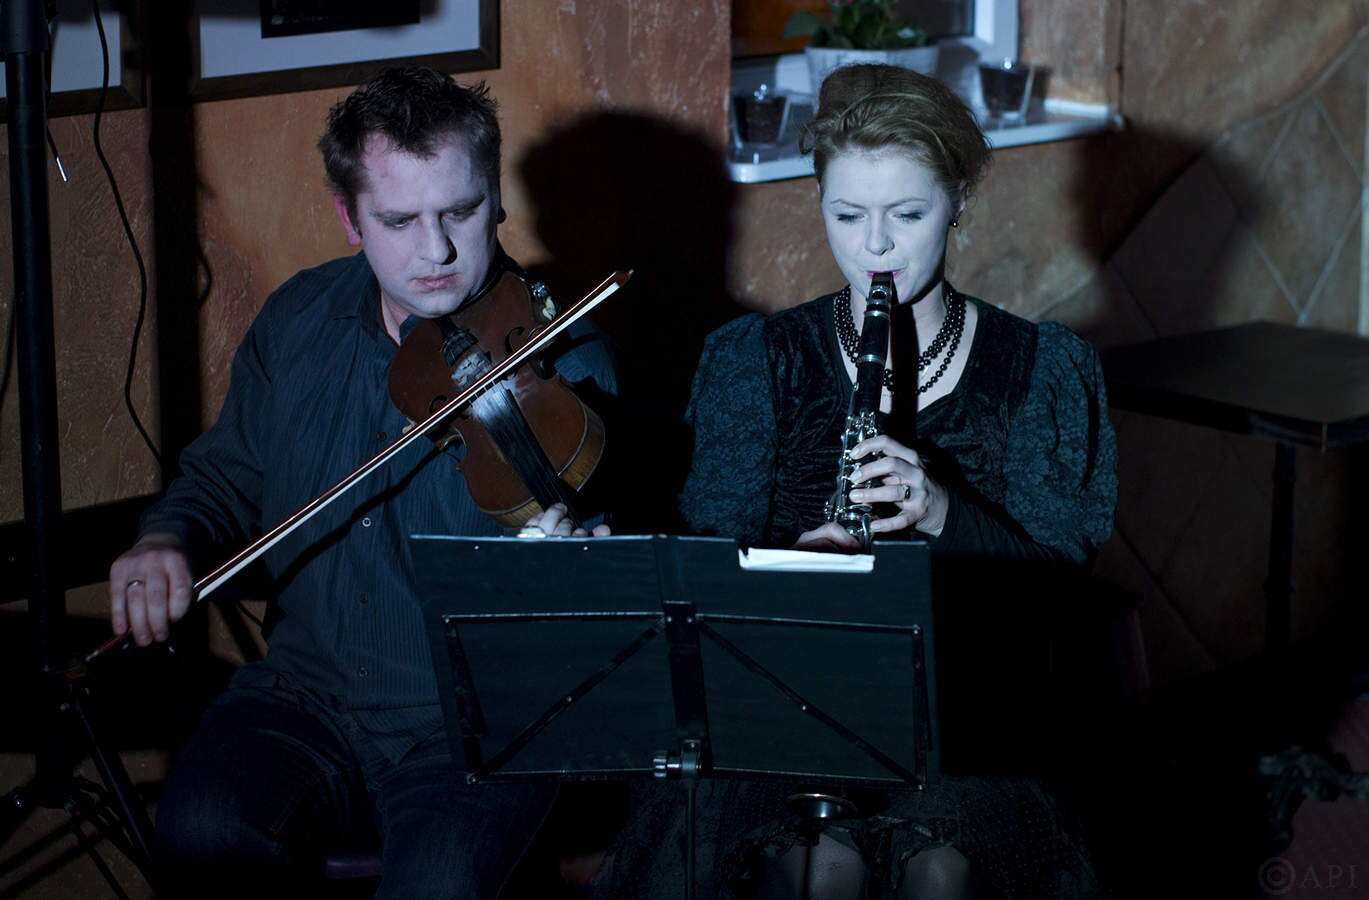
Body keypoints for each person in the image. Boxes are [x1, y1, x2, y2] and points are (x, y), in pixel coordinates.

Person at [588, 64, 1117, 899]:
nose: (874, 248)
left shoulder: (1040, 368)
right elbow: (703, 573)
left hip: (968, 709)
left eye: (906, 214)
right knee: (818, 871)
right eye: (846, 214)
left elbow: (1057, 596)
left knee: (941, 871)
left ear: (958, 201)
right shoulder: (756, 361)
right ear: (819, 203)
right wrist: (794, 567)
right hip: (791, 698)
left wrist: (942, 512)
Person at [107, 67, 616, 898]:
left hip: (476, 722)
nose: (436, 251)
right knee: (200, 829)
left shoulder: (562, 358)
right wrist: (165, 539)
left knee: (441, 884)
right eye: (398, 220)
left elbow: (608, 583)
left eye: (459, 212)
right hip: (305, 696)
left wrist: (567, 570)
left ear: (494, 201)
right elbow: (226, 475)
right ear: (349, 218)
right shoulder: (297, 320)